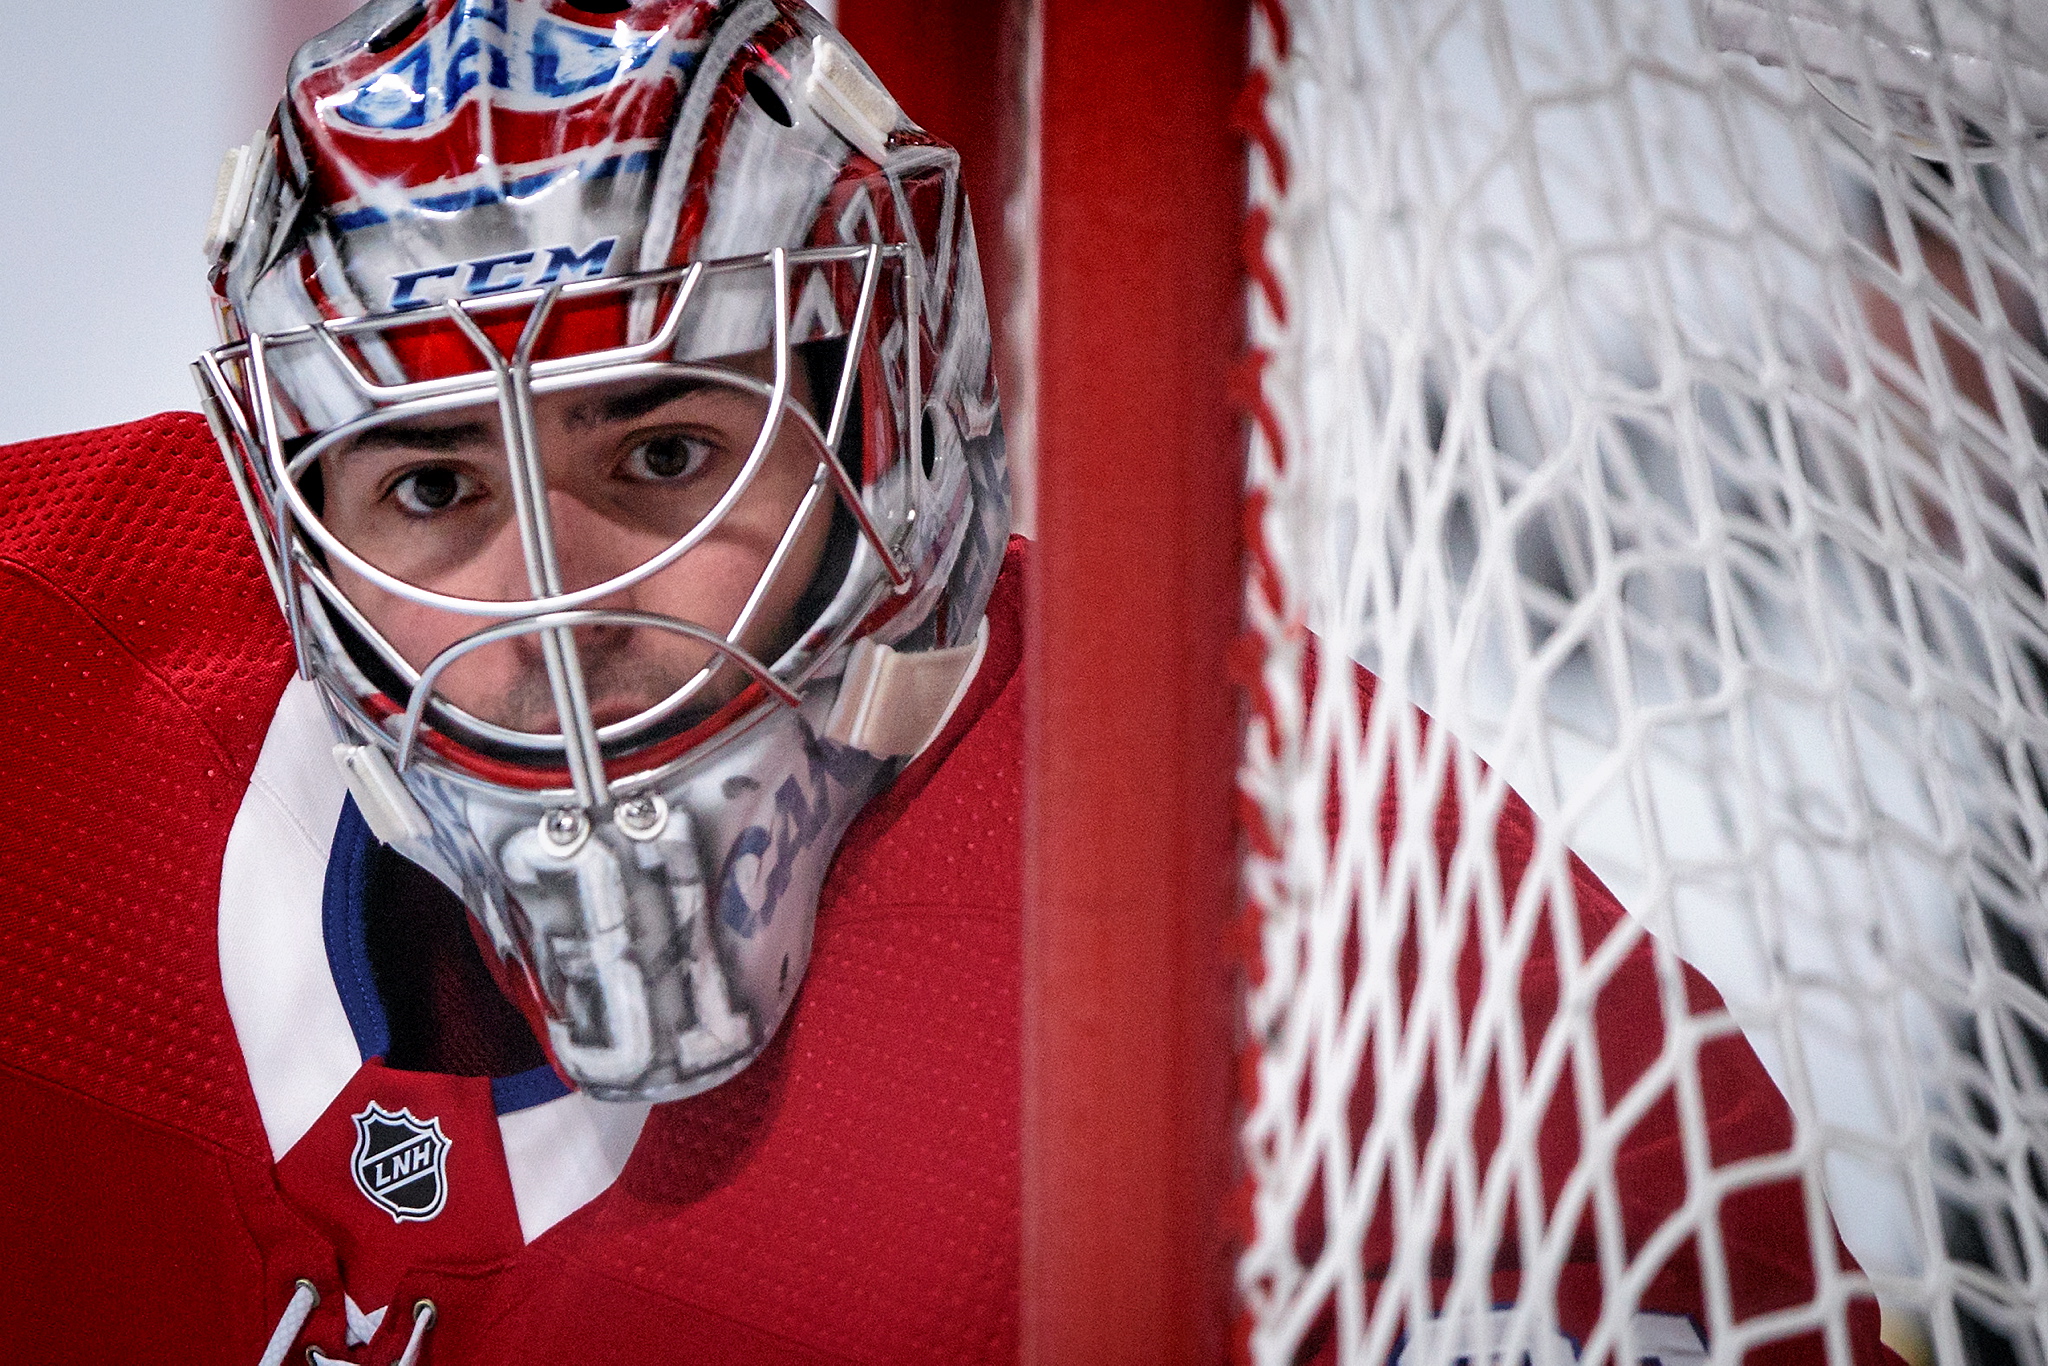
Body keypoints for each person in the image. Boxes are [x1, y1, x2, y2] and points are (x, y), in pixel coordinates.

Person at [0, 2, 1894, 1362]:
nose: (556, 610)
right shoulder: (46, 686)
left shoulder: (1330, 949)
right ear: (284, 521)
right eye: (430, 487)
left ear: (888, 431)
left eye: (663, 454)